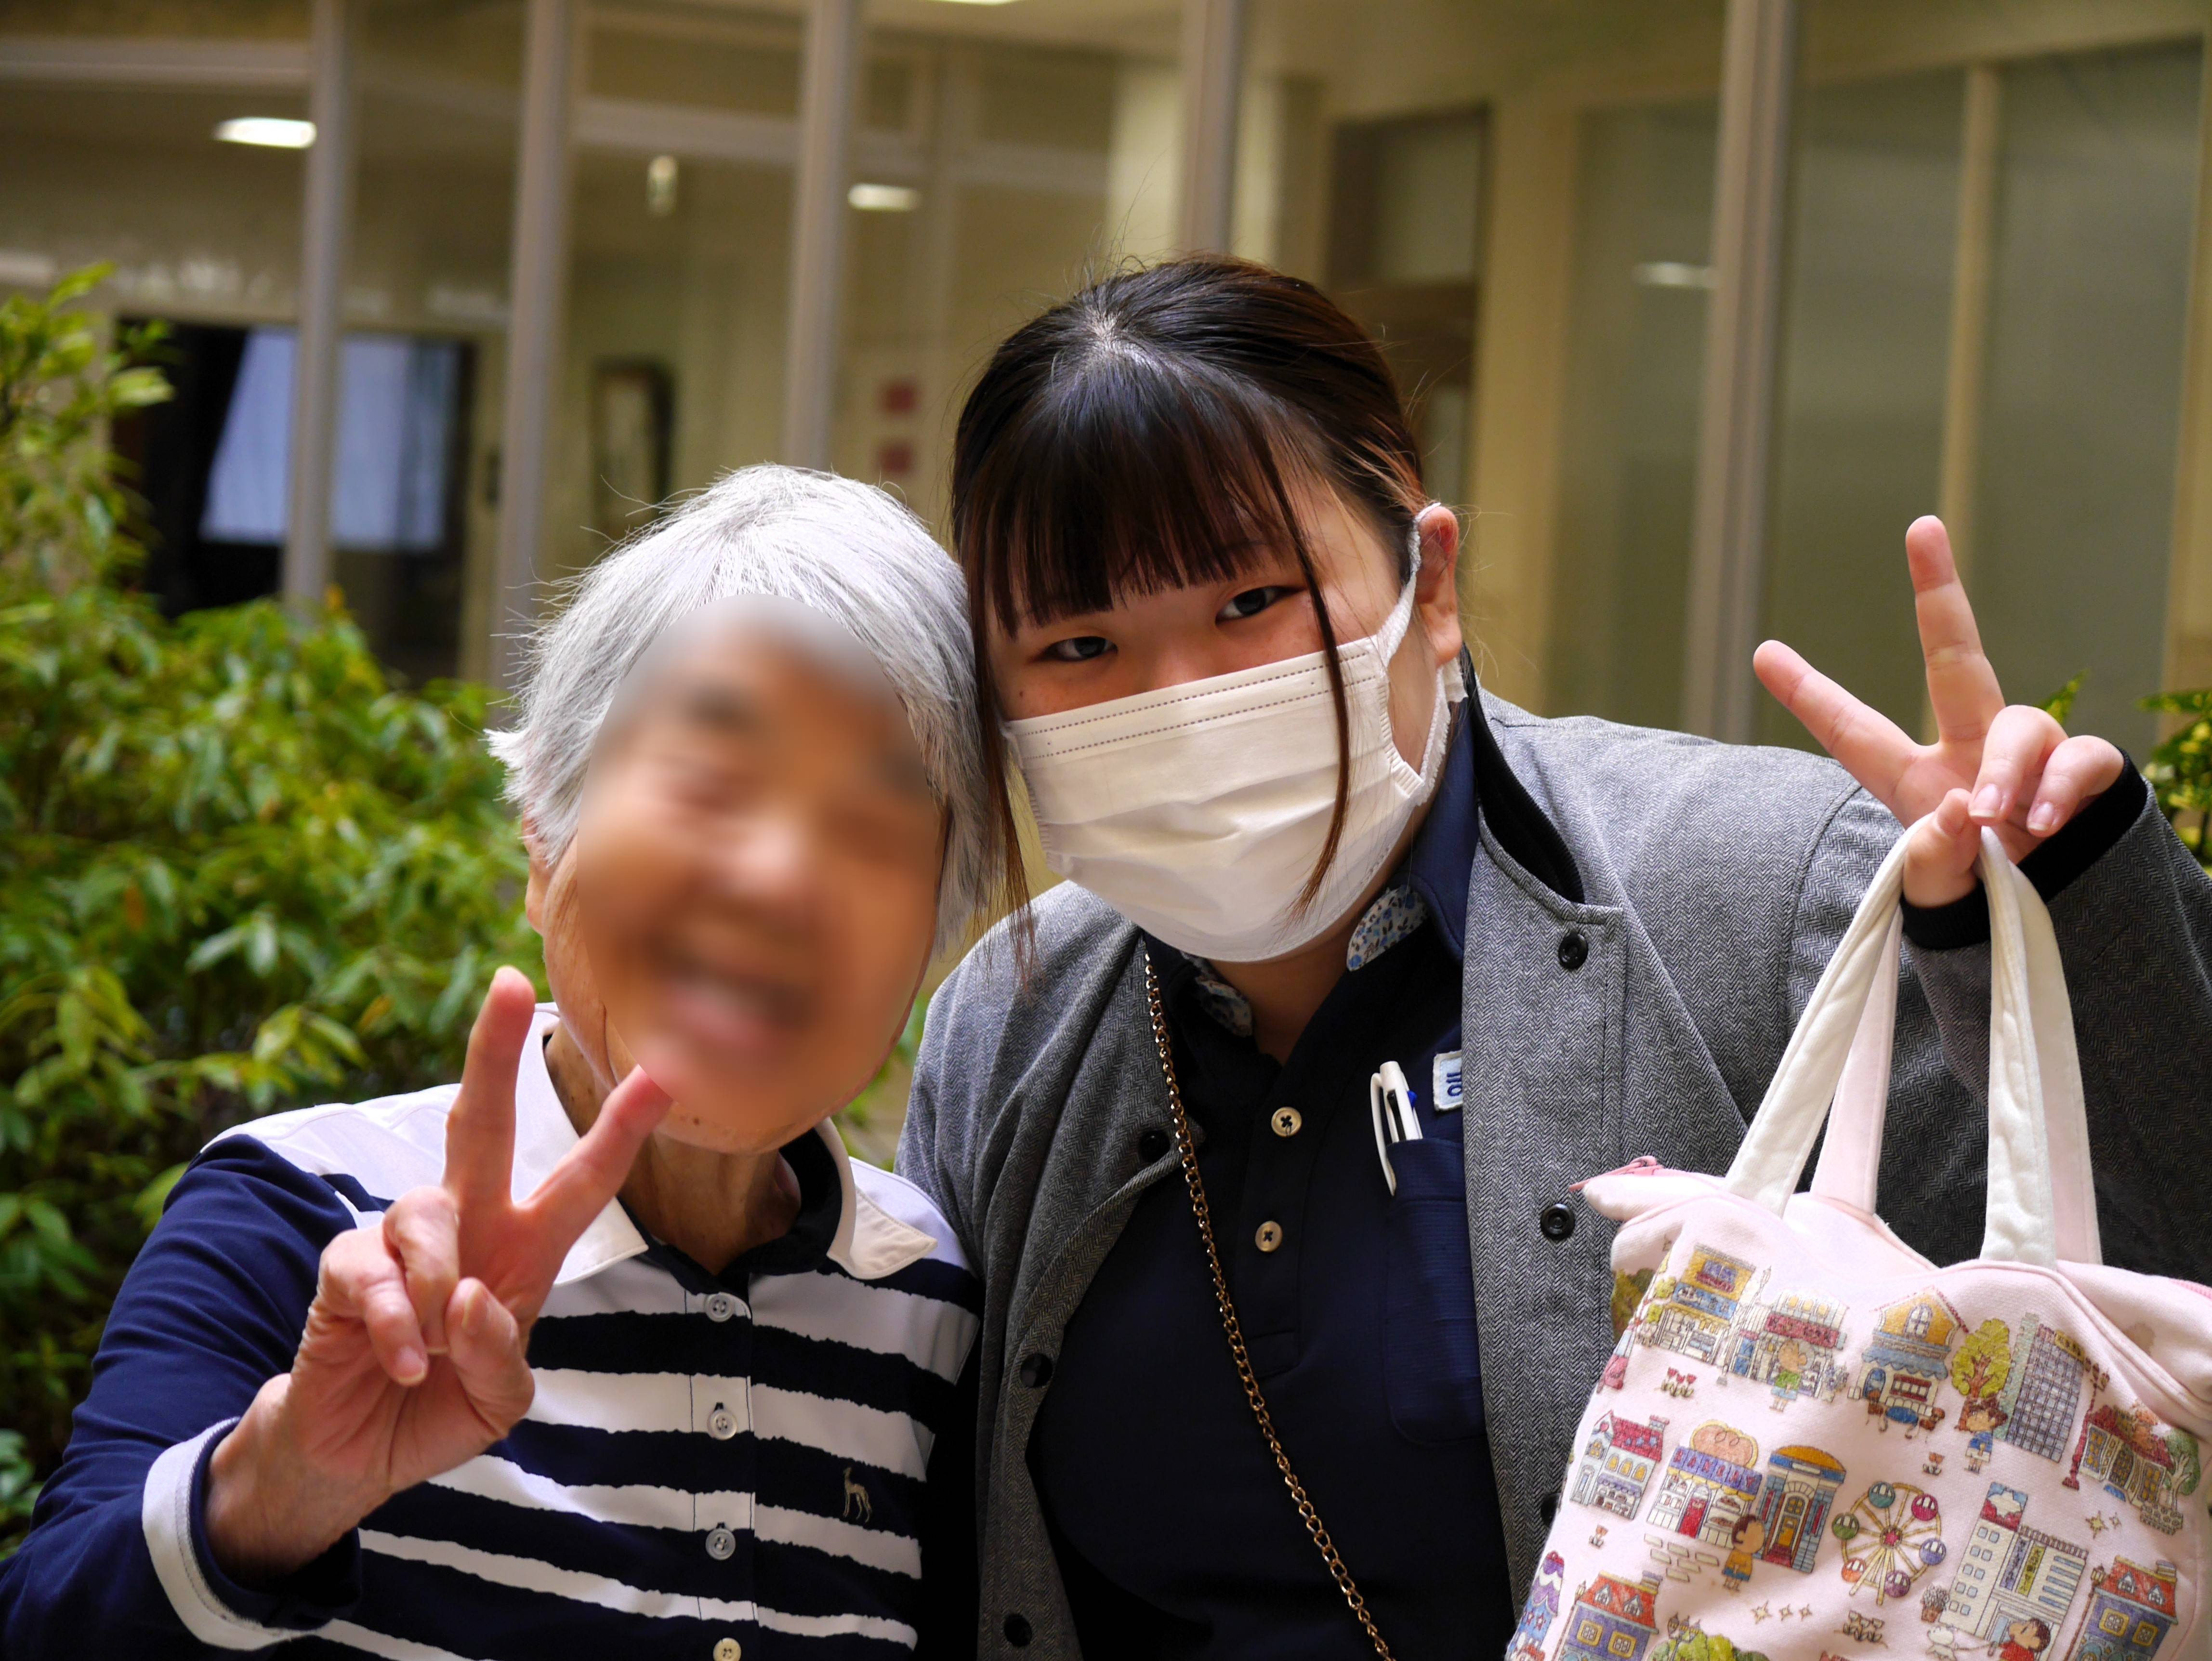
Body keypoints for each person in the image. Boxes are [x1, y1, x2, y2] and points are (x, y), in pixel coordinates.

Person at [896, 257, 2212, 1659]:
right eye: (1080, 643)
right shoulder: (1012, 1022)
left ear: (1431, 580)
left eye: (1250, 601)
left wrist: (2060, 897)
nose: (1182, 701)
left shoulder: (1768, 894)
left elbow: (2154, 1310)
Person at [0, 467, 999, 1660]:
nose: (781, 879)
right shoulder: (304, 1213)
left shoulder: (930, 1301)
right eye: (713, 783)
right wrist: (285, 1482)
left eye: (873, 825)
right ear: (543, 838)